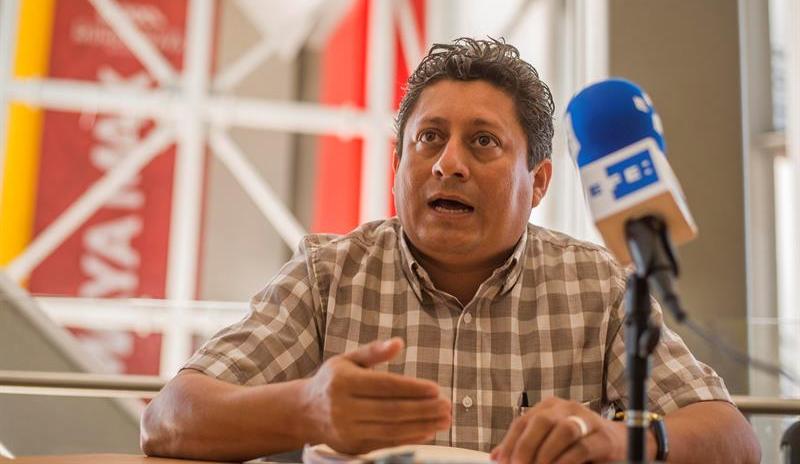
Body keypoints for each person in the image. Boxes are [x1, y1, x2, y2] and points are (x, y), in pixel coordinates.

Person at [140, 37, 760, 464]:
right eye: (429, 138)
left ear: (539, 182)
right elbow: (168, 418)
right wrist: (308, 408)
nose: (448, 164)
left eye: (483, 141)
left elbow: (734, 439)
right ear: (397, 164)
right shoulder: (329, 274)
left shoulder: (595, 284)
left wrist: (622, 442)